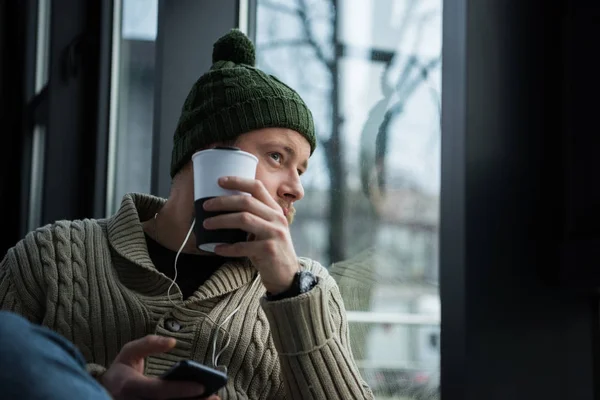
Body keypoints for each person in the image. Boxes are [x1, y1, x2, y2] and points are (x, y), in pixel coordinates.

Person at [0, 29, 373, 400]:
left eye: (302, 170)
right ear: (209, 155)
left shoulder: (309, 287)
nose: (297, 188)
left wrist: (288, 291)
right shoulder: (52, 256)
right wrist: (98, 389)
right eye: (278, 157)